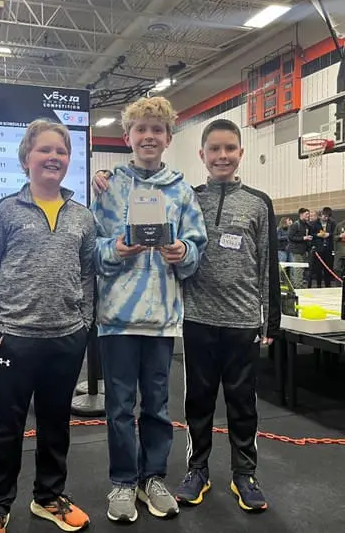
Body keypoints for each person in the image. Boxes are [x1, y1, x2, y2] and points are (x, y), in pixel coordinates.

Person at [92, 117, 280, 513]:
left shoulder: (214, 197)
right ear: (201, 154)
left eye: (230, 149)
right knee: (176, 403)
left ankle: (231, 474)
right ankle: (164, 476)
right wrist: (116, 245)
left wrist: (270, 320)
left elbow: (249, 261)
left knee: (230, 404)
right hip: (165, 318)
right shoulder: (133, 190)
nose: (222, 156)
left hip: (216, 319)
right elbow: (93, 246)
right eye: (214, 149)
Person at [0, 119, 96, 533]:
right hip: (16, 341)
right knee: (7, 428)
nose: (53, 157)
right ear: (27, 158)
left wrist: (83, 325)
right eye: (45, 150)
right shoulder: (5, 211)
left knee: (56, 424)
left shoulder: (83, 216)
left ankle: (48, 497)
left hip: (66, 338)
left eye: (61, 151)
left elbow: (88, 275)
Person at [91, 96, 208, 524]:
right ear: (127, 137)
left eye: (157, 129)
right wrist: (116, 249)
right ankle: (123, 481)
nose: (148, 136)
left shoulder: (181, 190)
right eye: (141, 129)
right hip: (117, 319)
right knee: (119, 408)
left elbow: (196, 244)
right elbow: (92, 247)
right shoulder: (108, 188)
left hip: (161, 319)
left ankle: (152, 478)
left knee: (157, 407)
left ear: (168, 138)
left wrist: (183, 252)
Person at [286, 208, 312, 288]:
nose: (308, 216)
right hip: (296, 250)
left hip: (304, 250)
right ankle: (298, 286)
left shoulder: (307, 225)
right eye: (306, 214)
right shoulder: (295, 225)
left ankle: (300, 284)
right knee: (298, 269)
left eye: (309, 214)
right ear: (301, 214)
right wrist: (303, 238)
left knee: (302, 269)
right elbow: (290, 237)